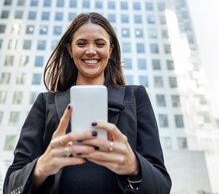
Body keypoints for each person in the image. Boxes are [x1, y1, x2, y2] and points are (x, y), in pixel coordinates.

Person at [3, 12, 171, 194]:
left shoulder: (135, 96)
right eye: (82, 43)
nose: (91, 50)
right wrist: (42, 166)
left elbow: (162, 185)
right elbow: (11, 187)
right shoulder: (45, 103)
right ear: (69, 49)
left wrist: (135, 167)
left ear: (111, 49)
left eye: (100, 44)